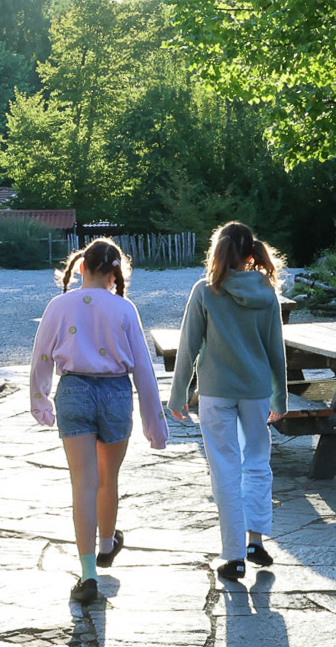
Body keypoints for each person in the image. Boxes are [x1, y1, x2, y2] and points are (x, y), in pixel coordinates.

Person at [28, 237, 167, 606]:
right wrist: (156, 426)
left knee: (83, 484)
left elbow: (41, 356)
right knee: (108, 479)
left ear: (82, 268)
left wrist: (40, 400)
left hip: (73, 392)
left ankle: (88, 572)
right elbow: (144, 372)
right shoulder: (124, 309)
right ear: (114, 274)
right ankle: (107, 544)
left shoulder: (59, 305)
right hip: (115, 394)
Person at [167, 221, 289, 580]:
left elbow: (188, 347)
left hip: (216, 392)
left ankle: (233, 555)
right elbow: (275, 350)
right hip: (255, 392)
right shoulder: (266, 291)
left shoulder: (206, 290)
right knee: (257, 463)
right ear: (252, 254)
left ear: (217, 252)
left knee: (225, 468)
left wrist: (178, 395)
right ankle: (255, 541)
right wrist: (280, 397)